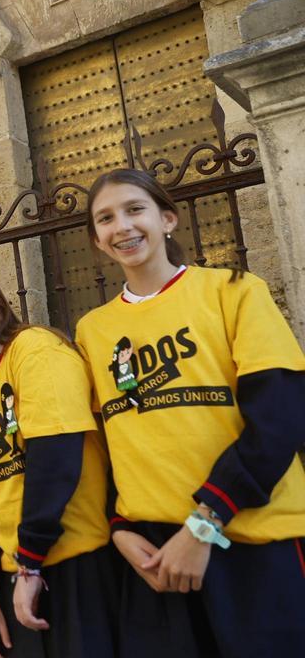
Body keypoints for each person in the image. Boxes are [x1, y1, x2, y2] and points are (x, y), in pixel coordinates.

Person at [75, 167, 305, 658]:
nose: (123, 227)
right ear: (97, 241)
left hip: (246, 536)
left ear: (168, 219)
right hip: (153, 555)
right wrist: (119, 528)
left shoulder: (234, 290)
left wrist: (205, 523)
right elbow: (107, 444)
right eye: (106, 218)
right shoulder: (93, 330)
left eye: (135, 210)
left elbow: (280, 419)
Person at [0, 264, 118, 658]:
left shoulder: (36, 349)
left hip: (75, 562)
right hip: (18, 570)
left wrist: (30, 561)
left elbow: (56, 460)